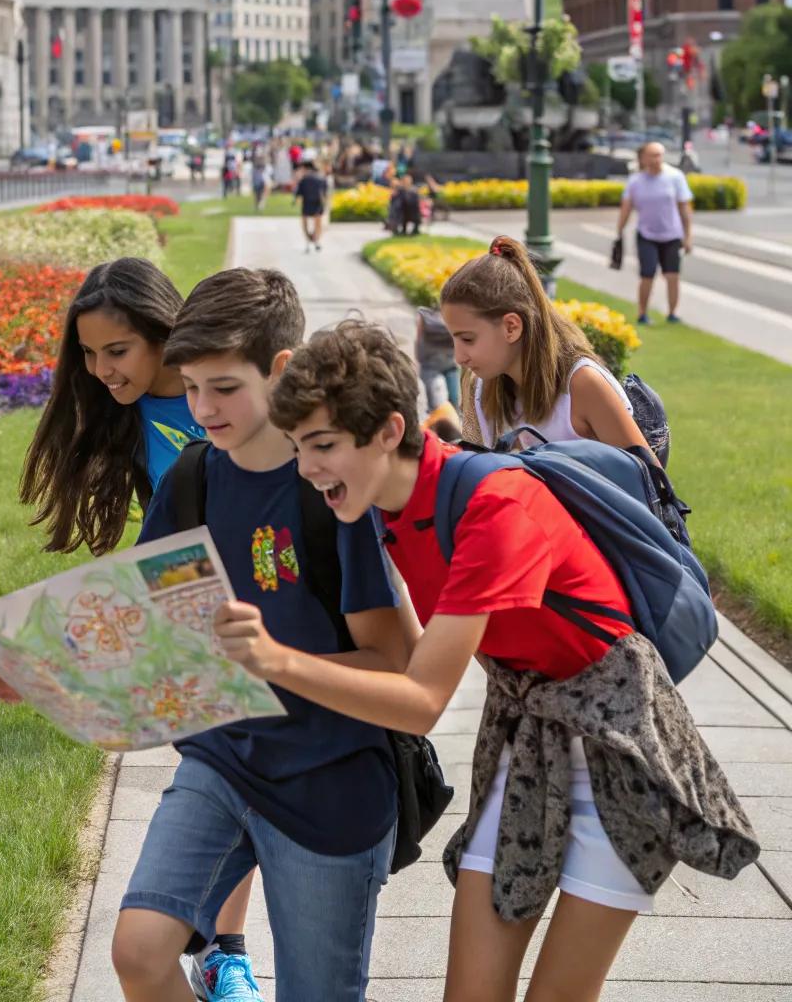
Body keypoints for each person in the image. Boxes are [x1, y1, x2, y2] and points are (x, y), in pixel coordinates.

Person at [218, 320, 758, 1002]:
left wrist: (277, 662)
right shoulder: (375, 505)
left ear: (388, 431)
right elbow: (396, 653)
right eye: (298, 446)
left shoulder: (495, 505)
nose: (306, 468)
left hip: (620, 743)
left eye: (322, 446)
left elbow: (422, 699)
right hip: (527, 732)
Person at [111, 269, 407, 1002]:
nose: (203, 408)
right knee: (139, 954)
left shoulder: (333, 489)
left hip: (328, 779)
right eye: (190, 387)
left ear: (280, 370)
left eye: (223, 387)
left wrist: (279, 661)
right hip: (221, 761)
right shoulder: (191, 480)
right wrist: (38, 667)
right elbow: (144, 620)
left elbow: (396, 661)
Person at [4, 259, 259, 1001]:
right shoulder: (124, 411)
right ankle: (222, 950)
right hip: (195, 610)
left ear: (160, 333)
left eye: (116, 351)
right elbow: (160, 535)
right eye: (88, 354)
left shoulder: (220, 383)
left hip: (272, 602)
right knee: (219, 768)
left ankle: (225, 950)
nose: (100, 369)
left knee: (240, 774)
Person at [441, 236, 649, 453]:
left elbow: (649, 480)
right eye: (453, 339)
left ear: (511, 327)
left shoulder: (583, 384)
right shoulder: (479, 386)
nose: (459, 357)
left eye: (467, 339)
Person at [616, 142, 693, 325]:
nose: (656, 159)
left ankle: (672, 313)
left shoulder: (675, 177)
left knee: (672, 275)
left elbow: (684, 208)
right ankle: (642, 313)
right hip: (646, 234)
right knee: (647, 275)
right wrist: (619, 231)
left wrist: (688, 235)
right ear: (643, 158)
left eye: (659, 155)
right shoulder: (636, 181)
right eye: (652, 155)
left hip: (672, 235)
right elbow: (626, 208)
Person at [415, 304, 461, 413]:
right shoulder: (457, 319)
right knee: (446, 404)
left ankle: (445, 421)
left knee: (439, 405)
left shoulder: (424, 317)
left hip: (436, 365)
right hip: (439, 365)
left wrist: (418, 360)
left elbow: (418, 339)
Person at [293, 158, 328, 253]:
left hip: (307, 203)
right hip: (318, 203)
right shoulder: (321, 177)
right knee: (318, 223)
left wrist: (295, 201)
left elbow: (298, 193)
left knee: (305, 222)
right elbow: (324, 193)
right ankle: (316, 240)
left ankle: (308, 239)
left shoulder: (304, 179)